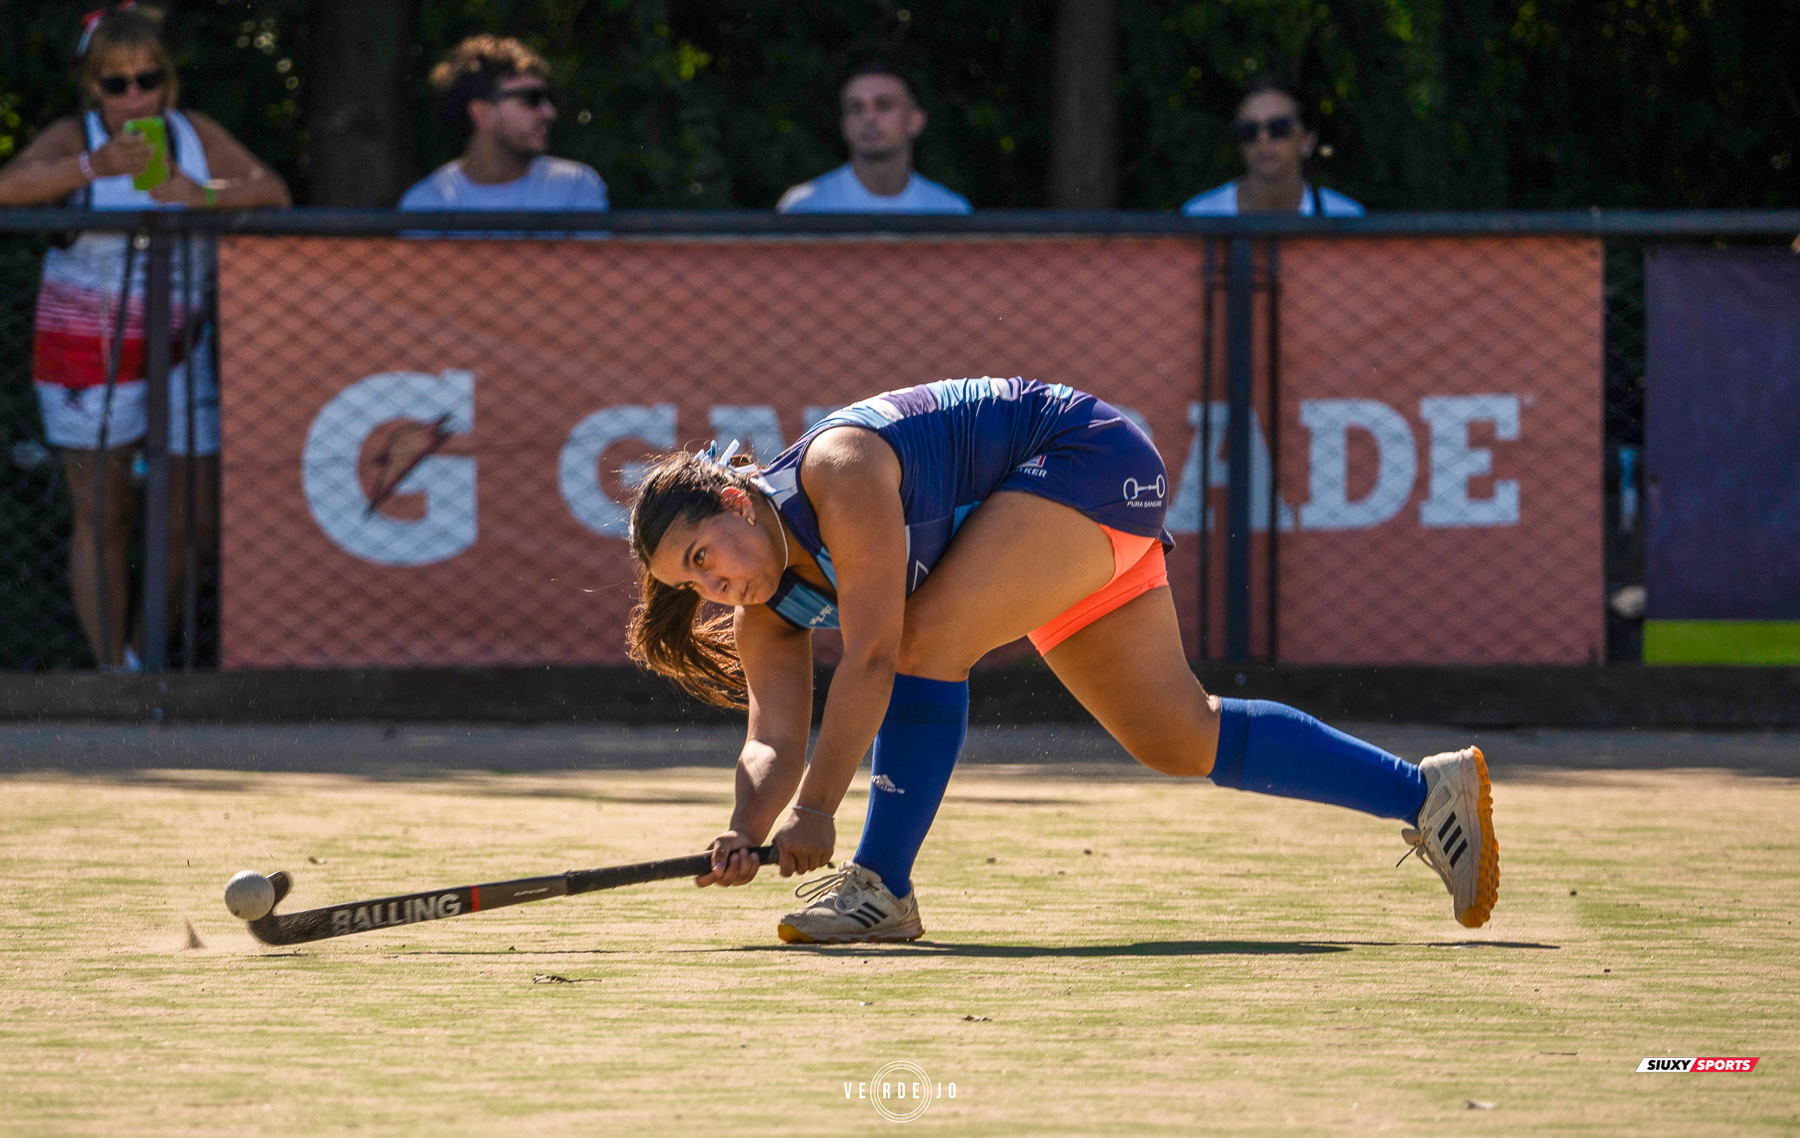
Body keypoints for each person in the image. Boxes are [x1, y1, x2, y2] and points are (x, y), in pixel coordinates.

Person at [625, 378, 1499, 944]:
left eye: (706, 555)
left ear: (737, 500)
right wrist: (745, 827)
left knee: (928, 638)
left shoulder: (838, 472)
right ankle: (1427, 794)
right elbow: (772, 738)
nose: (715, 588)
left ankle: (882, 886)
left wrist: (816, 812)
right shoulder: (766, 614)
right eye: (691, 583)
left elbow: (878, 658)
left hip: (1087, 463)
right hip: (1038, 526)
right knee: (1175, 737)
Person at [0, 3, 290, 668]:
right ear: (91, 88)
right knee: (104, 517)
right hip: (85, 349)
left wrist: (202, 195)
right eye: (116, 84)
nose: (134, 97)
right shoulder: (75, 139)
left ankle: (144, 659)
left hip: (181, 350)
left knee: (195, 520)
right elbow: (9, 186)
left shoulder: (195, 134)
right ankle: (113, 676)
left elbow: (270, 190)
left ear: (169, 83)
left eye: (147, 80)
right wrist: (91, 170)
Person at [401, 36, 606, 212]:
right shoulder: (427, 203)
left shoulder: (575, 186)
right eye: (531, 98)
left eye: (548, 98)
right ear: (481, 113)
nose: (549, 112)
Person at [776, 62, 971, 214]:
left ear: (915, 120)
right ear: (844, 123)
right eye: (856, 108)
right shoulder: (805, 206)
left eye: (884, 105)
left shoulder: (948, 210)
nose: (869, 118)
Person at [1183, 79, 1363, 216]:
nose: (1263, 138)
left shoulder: (1345, 217)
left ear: (1307, 140)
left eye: (1278, 128)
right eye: (1249, 130)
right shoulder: (1199, 215)